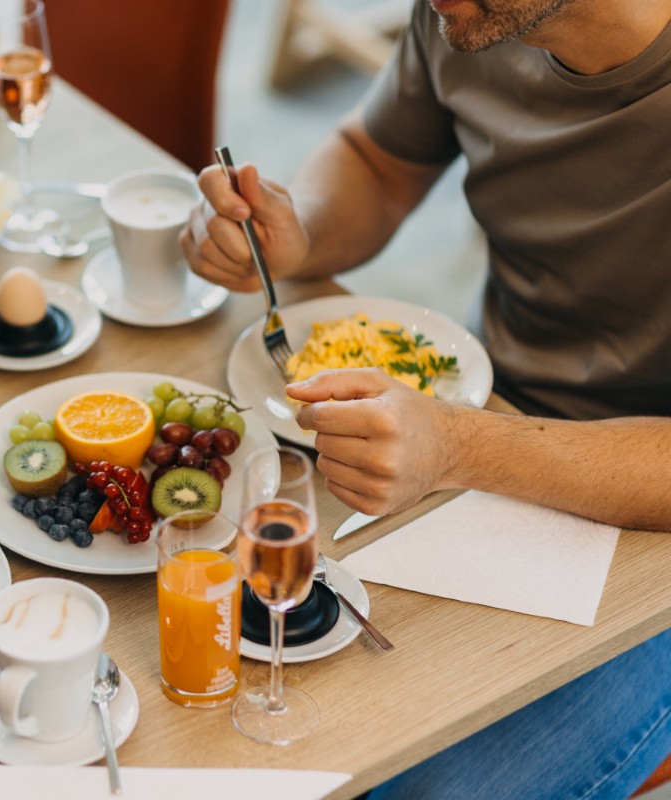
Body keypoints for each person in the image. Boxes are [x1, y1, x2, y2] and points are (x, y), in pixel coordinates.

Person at [183, 0, 671, 797]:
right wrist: (297, 232)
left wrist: (461, 446)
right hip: (489, 443)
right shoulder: (470, 15)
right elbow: (379, 161)